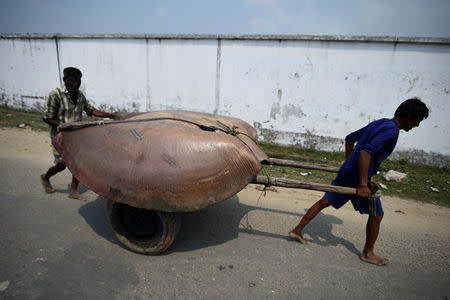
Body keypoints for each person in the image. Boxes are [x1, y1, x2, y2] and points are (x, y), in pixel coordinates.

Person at [289, 98, 429, 266]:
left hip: (349, 173)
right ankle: (368, 253)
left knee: (326, 201)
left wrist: (349, 163)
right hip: (357, 178)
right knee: (377, 214)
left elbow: (349, 138)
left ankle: (297, 230)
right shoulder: (391, 130)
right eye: (416, 120)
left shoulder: (380, 123)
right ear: (407, 116)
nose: (416, 125)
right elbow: (365, 153)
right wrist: (363, 183)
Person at [40, 67, 121, 200]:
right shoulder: (55, 94)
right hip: (61, 137)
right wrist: (62, 125)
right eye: (72, 81)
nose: (76, 84)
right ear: (65, 80)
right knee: (62, 165)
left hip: (76, 136)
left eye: (78, 81)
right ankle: (46, 176)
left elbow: (91, 110)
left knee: (78, 163)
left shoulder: (79, 95)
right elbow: (46, 117)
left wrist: (111, 115)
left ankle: (73, 191)